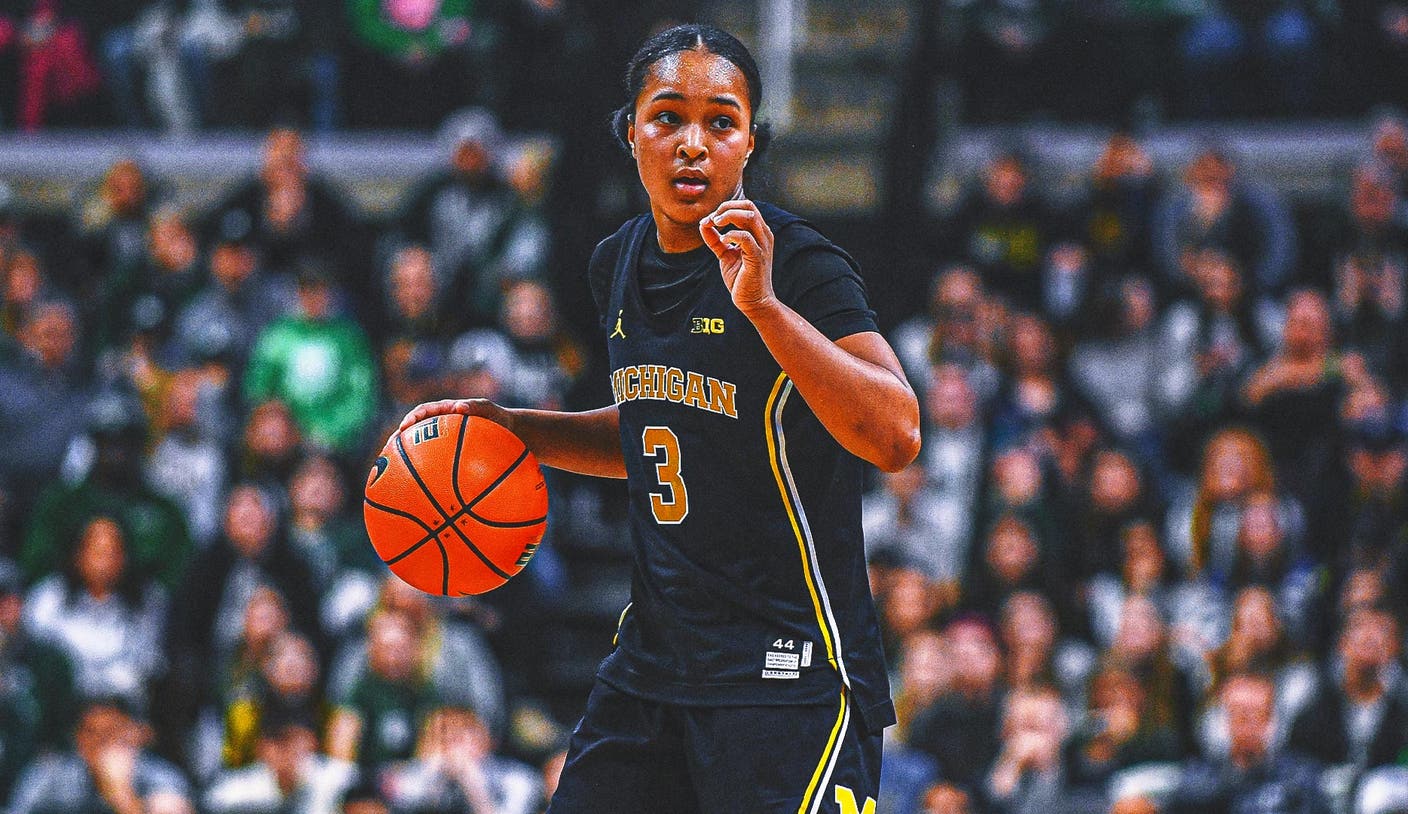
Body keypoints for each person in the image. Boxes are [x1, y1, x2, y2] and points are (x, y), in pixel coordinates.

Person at [397, 23, 921, 813]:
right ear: (631, 133)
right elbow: (659, 432)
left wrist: (766, 310)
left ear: (750, 143)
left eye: (722, 122)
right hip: (654, 666)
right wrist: (515, 428)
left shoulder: (799, 263)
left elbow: (896, 435)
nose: (693, 144)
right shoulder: (616, 260)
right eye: (668, 117)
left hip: (789, 673)